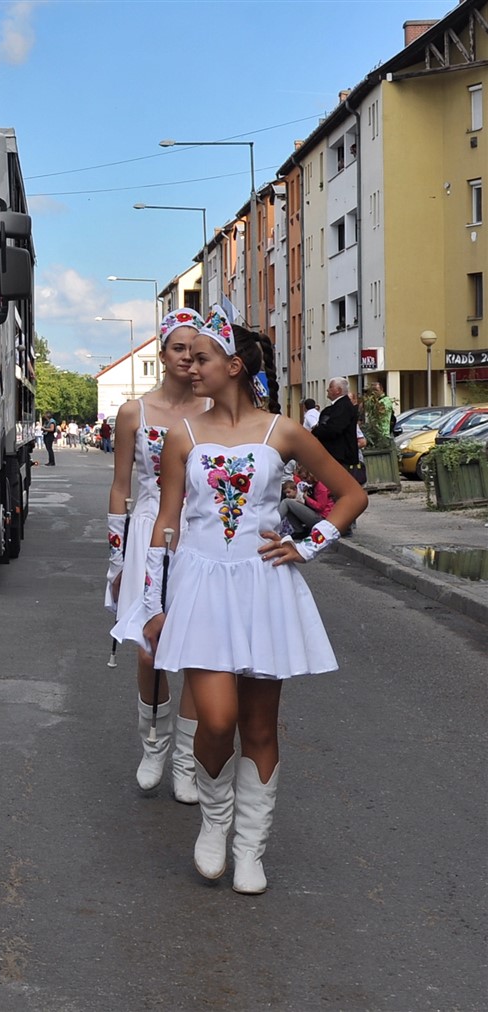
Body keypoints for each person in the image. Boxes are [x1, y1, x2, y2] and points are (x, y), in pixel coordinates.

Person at [135, 310, 365, 895]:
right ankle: (215, 824)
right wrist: (152, 602)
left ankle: (250, 849)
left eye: (202, 358)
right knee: (216, 719)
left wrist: (307, 545)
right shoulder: (182, 436)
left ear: (234, 366)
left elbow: (350, 494)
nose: (191, 368)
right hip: (201, 586)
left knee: (260, 726)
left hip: (263, 587)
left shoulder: (281, 431)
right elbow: (166, 522)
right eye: (187, 359)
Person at [107, 310, 211, 803]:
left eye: (196, 349)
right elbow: (120, 487)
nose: (188, 357)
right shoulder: (134, 413)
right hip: (149, 529)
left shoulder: (214, 408)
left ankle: (186, 762)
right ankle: (153, 745)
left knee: (195, 649)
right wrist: (116, 561)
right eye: (178, 348)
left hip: (201, 532)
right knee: (149, 648)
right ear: (163, 354)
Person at [311, 378, 363, 487]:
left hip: (341, 456)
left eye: (330, 387)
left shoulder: (342, 406)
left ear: (338, 390)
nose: (327, 390)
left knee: (339, 487)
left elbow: (334, 429)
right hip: (338, 456)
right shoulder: (339, 406)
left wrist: (317, 430)